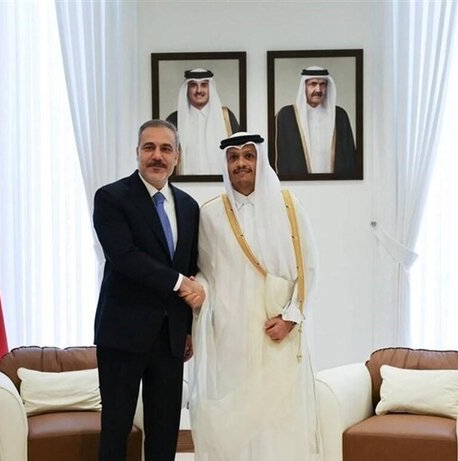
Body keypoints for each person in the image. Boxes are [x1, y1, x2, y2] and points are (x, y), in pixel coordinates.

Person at [189, 131, 321, 460]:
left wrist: (291, 318)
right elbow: (207, 271)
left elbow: (308, 267)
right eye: (233, 157)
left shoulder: (287, 205)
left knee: (279, 419)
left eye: (249, 155)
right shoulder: (210, 214)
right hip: (230, 337)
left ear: (260, 160)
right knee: (236, 420)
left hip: (276, 332)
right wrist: (199, 291)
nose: (241, 163)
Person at [92, 119, 204, 461]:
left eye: (166, 149)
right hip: (121, 334)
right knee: (116, 430)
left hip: (170, 338)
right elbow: (124, 257)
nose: (157, 156)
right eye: (149, 147)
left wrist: (187, 329)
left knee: (164, 432)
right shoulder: (111, 197)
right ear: (137, 152)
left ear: (177, 156)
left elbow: (190, 264)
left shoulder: (189, 206)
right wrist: (179, 282)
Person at [275, 66, 357, 176]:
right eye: (313, 84)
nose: (318, 90)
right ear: (304, 86)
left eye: (322, 84)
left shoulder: (340, 115)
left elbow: (350, 157)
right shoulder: (286, 115)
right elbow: (279, 156)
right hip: (298, 183)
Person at [166, 69, 240, 175]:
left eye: (204, 85)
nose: (199, 90)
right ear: (187, 89)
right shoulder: (173, 120)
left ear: (210, 88)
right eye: (193, 85)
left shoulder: (226, 117)